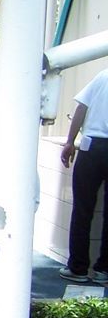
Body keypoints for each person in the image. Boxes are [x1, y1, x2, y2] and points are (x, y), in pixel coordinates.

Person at [59, 67, 108, 283]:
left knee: (82, 209)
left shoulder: (103, 75)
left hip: (91, 147)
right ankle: (104, 269)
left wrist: (70, 142)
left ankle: (78, 267)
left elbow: (81, 107)